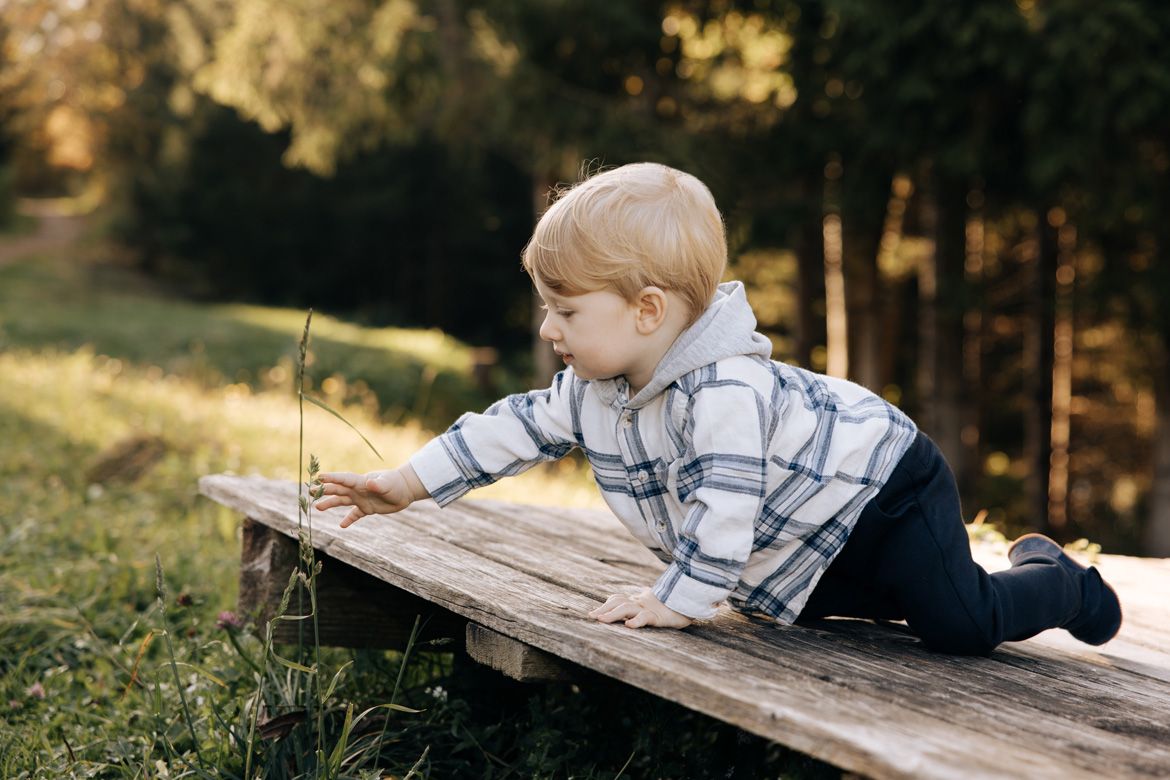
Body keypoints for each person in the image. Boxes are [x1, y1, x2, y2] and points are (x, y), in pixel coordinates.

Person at [314, 162, 1122, 655]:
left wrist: (677, 600)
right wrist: (406, 484)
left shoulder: (724, 391)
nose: (546, 328)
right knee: (863, 619)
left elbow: (728, 501)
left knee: (956, 624)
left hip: (885, 489)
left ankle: (1056, 577)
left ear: (647, 310)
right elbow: (510, 430)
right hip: (812, 534)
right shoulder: (597, 387)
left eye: (565, 311)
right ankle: (968, 584)